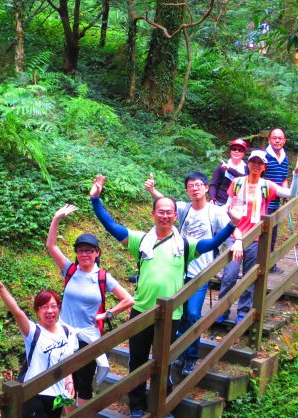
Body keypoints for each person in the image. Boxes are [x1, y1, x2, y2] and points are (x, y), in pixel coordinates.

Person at [89, 175, 241, 418]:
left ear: (175, 216)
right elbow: (112, 227)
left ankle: (162, 403)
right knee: (138, 360)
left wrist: (232, 225)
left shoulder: (184, 243)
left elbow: (212, 242)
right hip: (142, 310)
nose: (165, 215)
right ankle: (137, 405)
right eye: (161, 211)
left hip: (173, 313)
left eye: (169, 212)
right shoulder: (140, 240)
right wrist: (96, 200)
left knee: (165, 361)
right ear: (153, 214)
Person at [46, 205, 134, 407]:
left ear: (97, 253)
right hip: (63, 334)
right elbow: (51, 246)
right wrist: (56, 218)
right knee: (64, 381)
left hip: (88, 337)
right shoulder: (69, 269)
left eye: (89, 250)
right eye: (80, 250)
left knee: (83, 383)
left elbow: (128, 299)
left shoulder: (102, 277)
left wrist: (107, 314)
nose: (84, 253)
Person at [144, 172, 230, 376]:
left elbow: (231, 228)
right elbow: (166, 205)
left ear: (207, 188)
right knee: (179, 315)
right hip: (179, 271)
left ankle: (190, 357)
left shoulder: (215, 212)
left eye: (199, 185)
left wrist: (237, 244)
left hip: (201, 273)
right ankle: (179, 353)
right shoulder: (183, 209)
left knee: (192, 315)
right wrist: (152, 190)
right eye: (191, 185)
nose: (195, 188)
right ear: (186, 190)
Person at [216, 150, 298, 324]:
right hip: (234, 235)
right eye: (253, 162)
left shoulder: (267, 186)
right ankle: (222, 309)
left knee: (249, 276)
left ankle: (243, 311)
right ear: (248, 164)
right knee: (230, 275)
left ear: (264, 167)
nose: (256, 166)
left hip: (255, 238)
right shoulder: (237, 182)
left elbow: (290, 194)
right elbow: (227, 207)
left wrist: (295, 175)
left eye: (260, 163)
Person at [0, 272, 77, 418]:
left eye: (53, 306)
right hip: (34, 394)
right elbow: (17, 312)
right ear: (37, 311)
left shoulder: (68, 332)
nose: (50, 311)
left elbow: (66, 361)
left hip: (58, 395)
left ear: (59, 308)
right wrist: (1, 289)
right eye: (44, 307)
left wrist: (69, 382)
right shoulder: (33, 332)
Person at [265, 128, 290, 275]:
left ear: (284, 140)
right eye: (274, 138)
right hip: (263, 202)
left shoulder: (285, 158)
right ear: (269, 139)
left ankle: (270, 264)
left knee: (273, 235)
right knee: (261, 235)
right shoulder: (264, 156)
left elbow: (284, 178)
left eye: (280, 138)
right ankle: (257, 264)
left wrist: (286, 193)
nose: (277, 140)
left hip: (275, 204)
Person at [209, 138, 248, 206]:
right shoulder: (221, 167)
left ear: (244, 153)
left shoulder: (247, 169)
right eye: (234, 149)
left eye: (240, 150)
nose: (236, 151)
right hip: (221, 202)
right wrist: (212, 198)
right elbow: (213, 184)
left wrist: (229, 169)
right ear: (230, 151)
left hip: (239, 204)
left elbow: (243, 179)